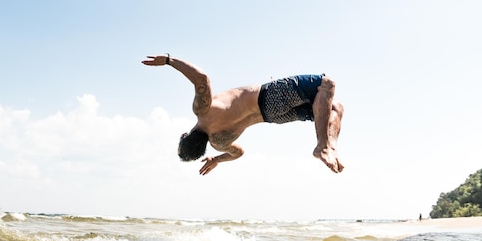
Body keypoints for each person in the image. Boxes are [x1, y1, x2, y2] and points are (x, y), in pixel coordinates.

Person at [142, 54, 344, 175]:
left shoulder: (219, 142)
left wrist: (217, 160)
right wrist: (169, 60)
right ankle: (323, 146)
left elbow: (238, 153)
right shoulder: (202, 111)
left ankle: (330, 147)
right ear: (186, 135)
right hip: (268, 96)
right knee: (327, 84)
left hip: (272, 117)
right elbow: (201, 79)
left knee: (335, 109)